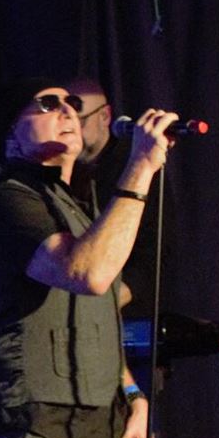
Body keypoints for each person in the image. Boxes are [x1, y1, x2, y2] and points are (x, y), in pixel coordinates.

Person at [0, 77, 183, 438]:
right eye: (46, 104)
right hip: (38, 429)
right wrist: (142, 165)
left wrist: (131, 392)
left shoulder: (81, 210)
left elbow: (94, 318)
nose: (66, 110)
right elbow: (89, 273)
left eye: (70, 103)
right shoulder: (6, 202)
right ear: (10, 136)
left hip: (110, 432)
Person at [69, 77, 160, 318]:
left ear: (105, 117)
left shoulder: (132, 165)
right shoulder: (62, 172)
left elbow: (153, 254)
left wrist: (101, 305)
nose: (71, 129)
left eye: (79, 119)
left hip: (123, 314)